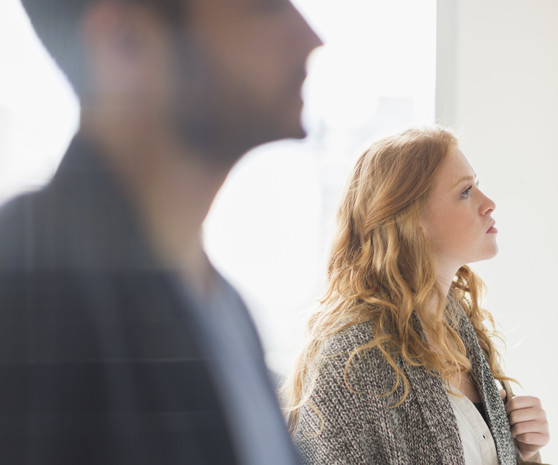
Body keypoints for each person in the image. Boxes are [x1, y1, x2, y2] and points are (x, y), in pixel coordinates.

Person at [0, 1, 321, 464]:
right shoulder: (29, 290)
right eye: (264, 7)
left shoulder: (222, 306)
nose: (311, 39)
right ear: (124, 42)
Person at [283, 127, 550, 465]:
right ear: (412, 219)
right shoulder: (350, 362)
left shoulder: (463, 332)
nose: (489, 203)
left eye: (477, 185)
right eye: (466, 191)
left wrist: (525, 453)